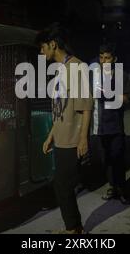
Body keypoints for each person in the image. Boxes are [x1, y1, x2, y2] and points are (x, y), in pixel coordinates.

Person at [38, 23, 93, 234]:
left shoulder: (77, 67)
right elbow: (60, 107)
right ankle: (74, 227)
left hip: (72, 139)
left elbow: (86, 107)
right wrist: (50, 135)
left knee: (62, 185)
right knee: (62, 186)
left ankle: (73, 229)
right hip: (60, 137)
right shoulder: (61, 69)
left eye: (43, 47)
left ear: (53, 44)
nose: (41, 52)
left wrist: (83, 139)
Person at [91, 43, 130, 204]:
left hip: (115, 126)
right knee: (106, 159)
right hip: (99, 127)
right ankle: (112, 187)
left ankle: (121, 188)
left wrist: (110, 94)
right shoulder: (95, 75)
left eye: (107, 58)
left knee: (117, 158)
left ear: (114, 59)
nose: (103, 61)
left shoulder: (121, 75)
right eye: (101, 57)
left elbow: (126, 98)